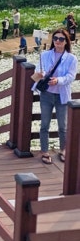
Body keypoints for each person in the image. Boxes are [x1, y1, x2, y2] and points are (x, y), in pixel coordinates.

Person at [32, 27, 78, 164]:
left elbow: (71, 76)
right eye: (56, 38)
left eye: (61, 39)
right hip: (46, 94)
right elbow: (37, 70)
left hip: (61, 96)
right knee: (44, 124)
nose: (58, 41)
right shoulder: (45, 55)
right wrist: (41, 74)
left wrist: (59, 80)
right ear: (53, 40)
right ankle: (44, 151)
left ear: (66, 41)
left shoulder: (71, 58)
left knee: (63, 126)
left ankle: (63, 150)